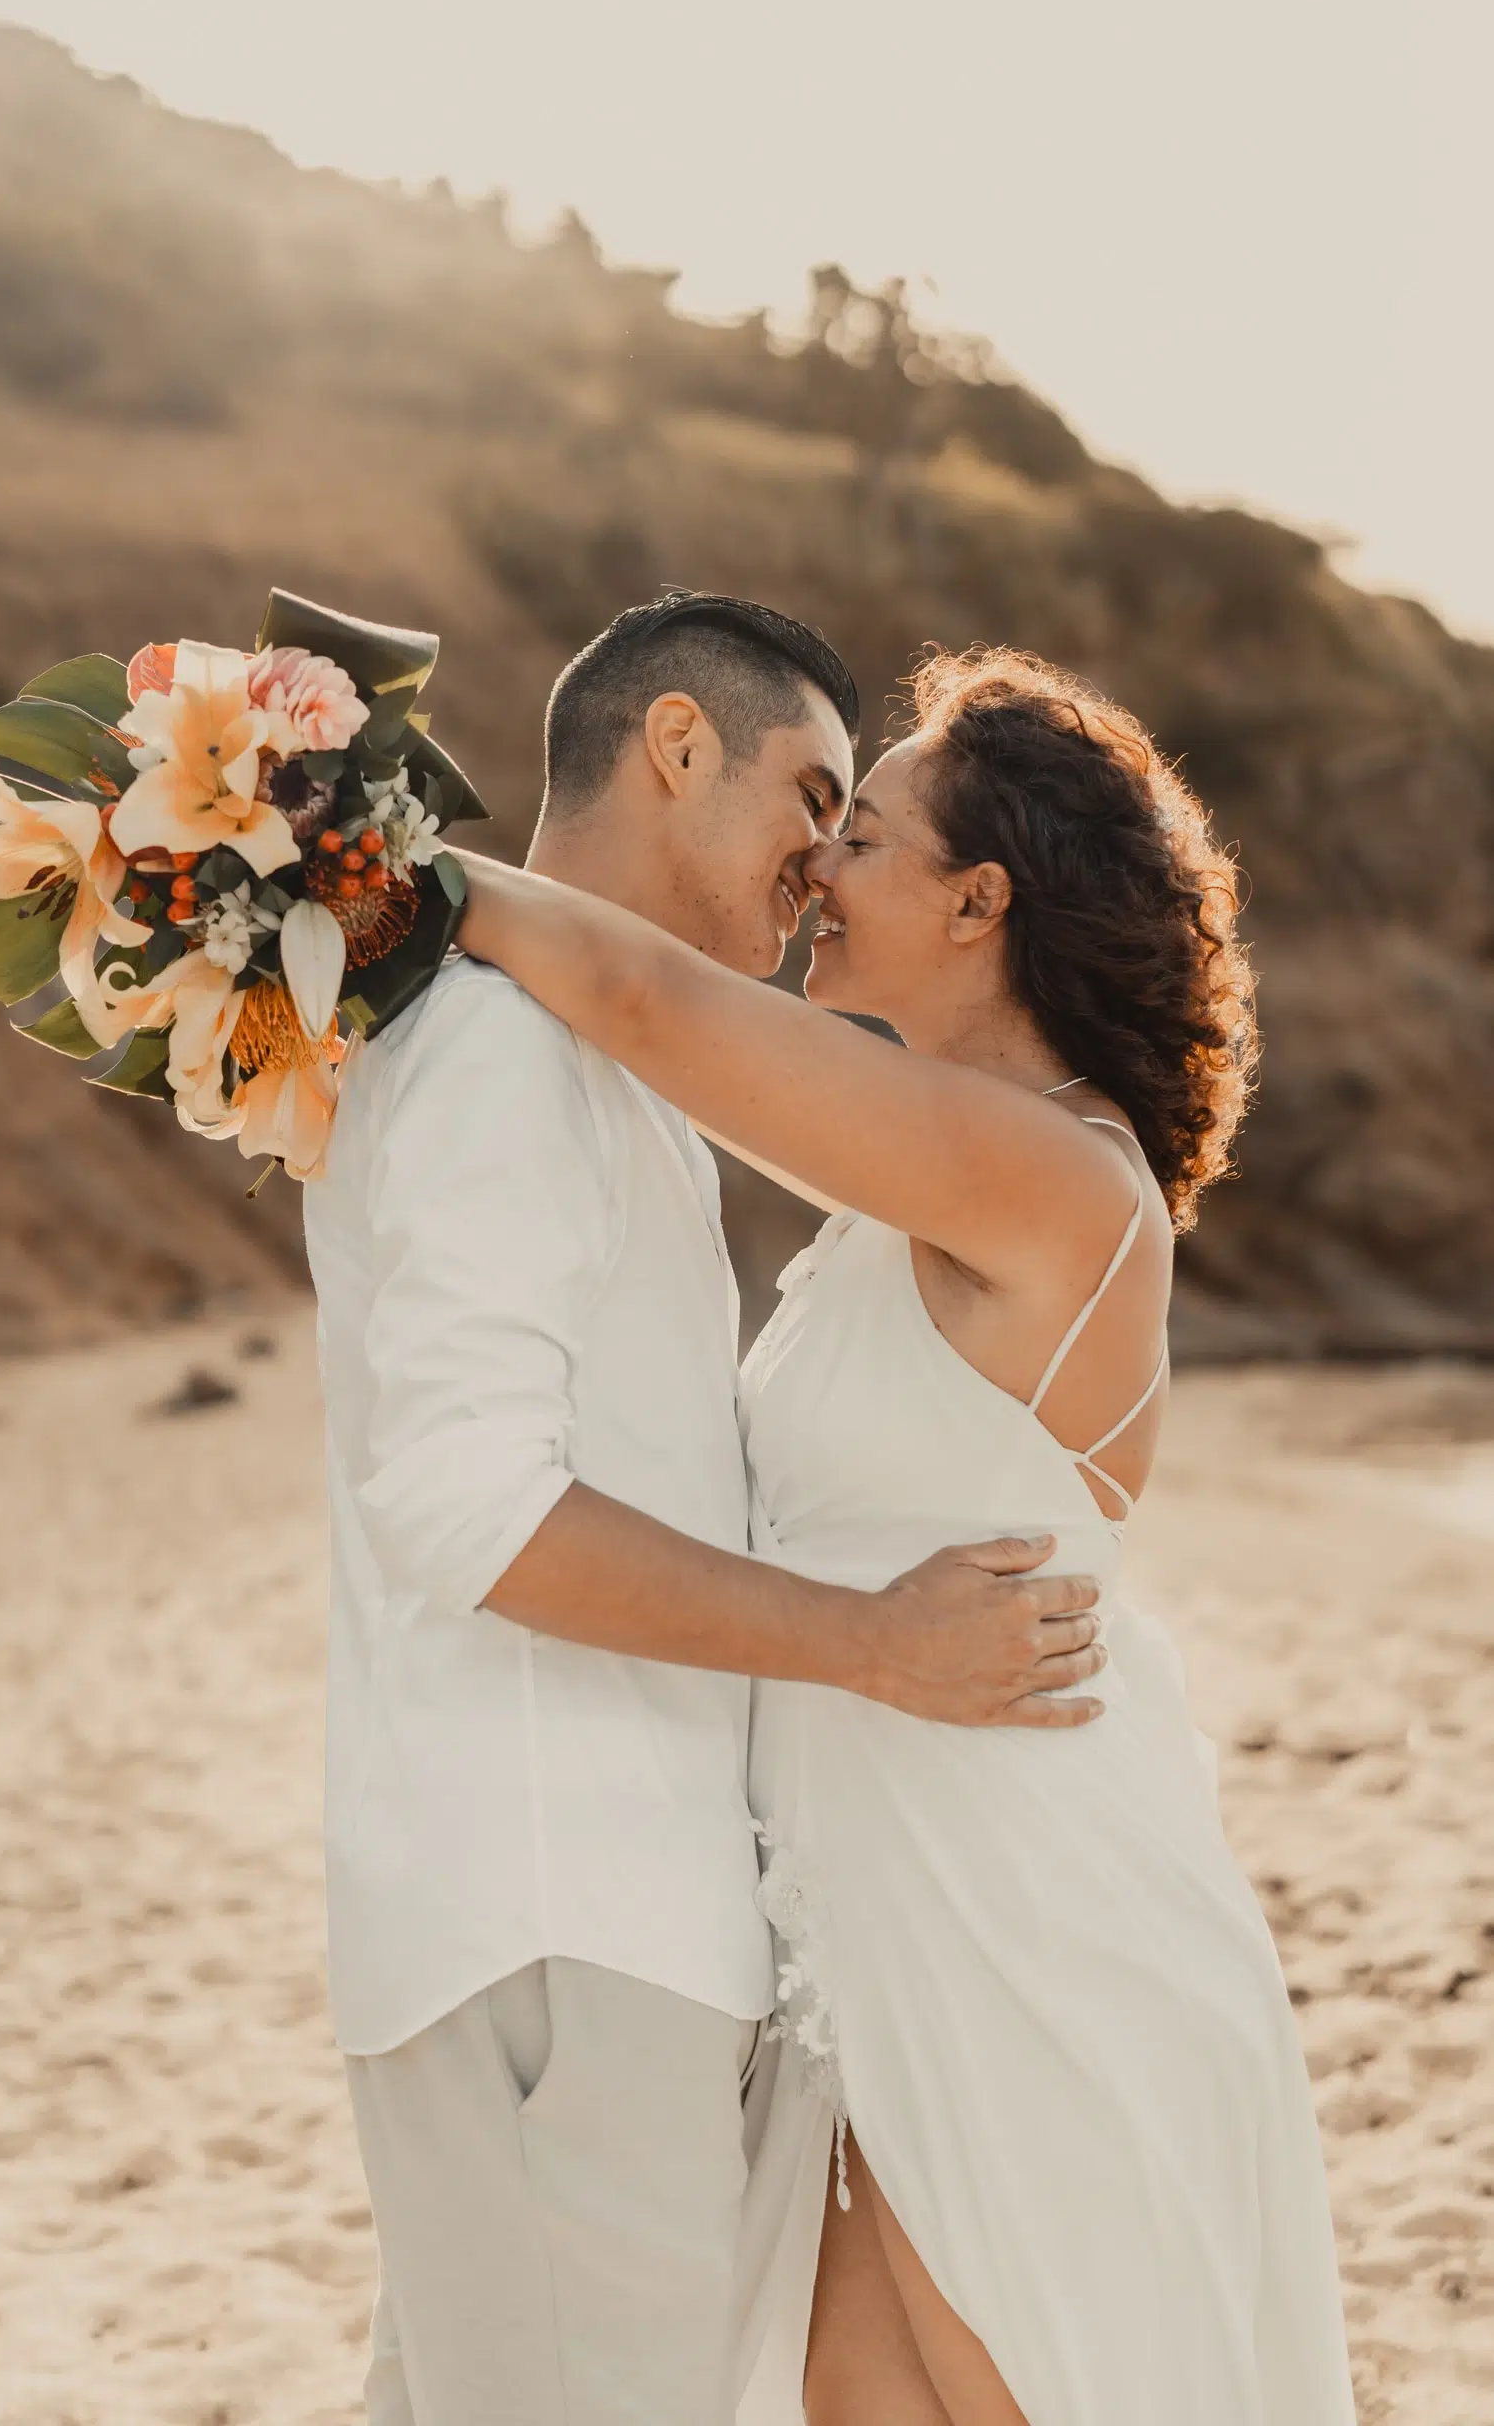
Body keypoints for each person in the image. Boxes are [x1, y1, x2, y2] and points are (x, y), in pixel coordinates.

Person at [454, 645, 1357, 2426]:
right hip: (869, 1925)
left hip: (1025, 1917)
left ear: (977, 902)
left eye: (854, 836)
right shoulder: (920, 1183)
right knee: (860, 2394)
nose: (812, 872)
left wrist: (342, 859)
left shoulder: (1055, 1178)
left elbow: (641, 1004)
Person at [303, 597, 1106, 2426]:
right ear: (677, 747)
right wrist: (872, 1645)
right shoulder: (499, 1052)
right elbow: (467, 1507)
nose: (822, 867)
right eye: (812, 797)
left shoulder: (607, 1076)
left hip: (610, 1913)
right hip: (552, 1909)